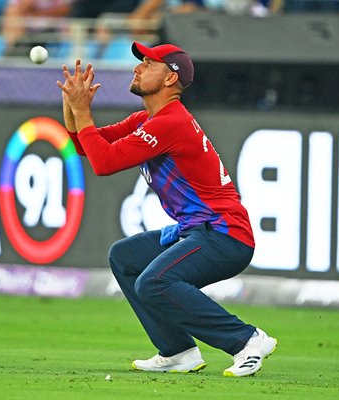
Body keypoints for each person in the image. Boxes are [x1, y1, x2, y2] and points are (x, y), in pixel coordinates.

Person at [57, 42, 277, 377]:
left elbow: (103, 163)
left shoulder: (170, 123)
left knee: (154, 282)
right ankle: (178, 351)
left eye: (148, 63)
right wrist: (72, 107)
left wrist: (83, 112)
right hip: (199, 231)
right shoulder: (147, 119)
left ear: (171, 78)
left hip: (224, 235)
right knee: (125, 257)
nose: (137, 68)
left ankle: (247, 339)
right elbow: (86, 147)